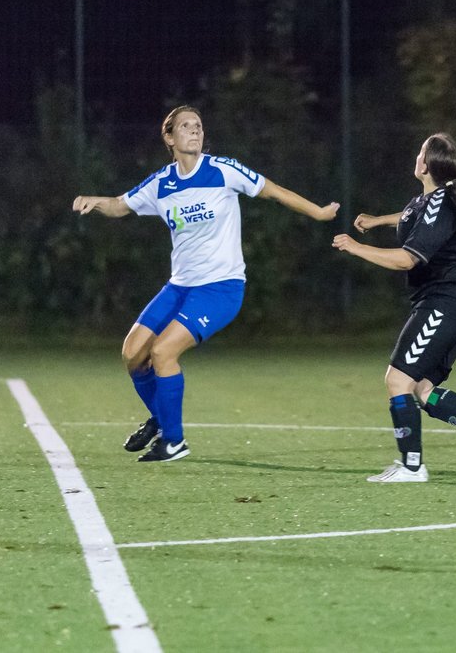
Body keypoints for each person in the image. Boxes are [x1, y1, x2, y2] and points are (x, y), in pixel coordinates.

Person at [72, 105, 338, 462]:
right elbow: (121, 205)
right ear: (169, 137)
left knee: (163, 353)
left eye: (198, 126)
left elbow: (272, 190)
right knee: (132, 354)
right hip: (179, 286)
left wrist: (318, 212)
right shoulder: (161, 183)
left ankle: (174, 442)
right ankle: (163, 421)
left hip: (221, 288)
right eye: (185, 126)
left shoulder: (223, 171)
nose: (195, 131)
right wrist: (96, 202)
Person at [332, 133, 456, 483]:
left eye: (421, 152)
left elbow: (407, 260)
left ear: (425, 165)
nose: (417, 156)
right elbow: (413, 214)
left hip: (446, 303)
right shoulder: (433, 200)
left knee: (397, 380)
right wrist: (377, 221)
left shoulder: (440, 206)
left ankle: (412, 466)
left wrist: (356, 247)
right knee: (421, 389)